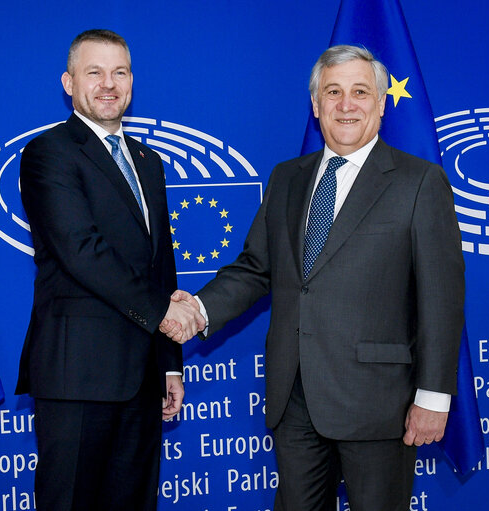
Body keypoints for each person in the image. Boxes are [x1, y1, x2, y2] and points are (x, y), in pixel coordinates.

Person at [163, 45, 464, 511]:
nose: (347, 105)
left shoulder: (419, 181)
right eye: (333, 92)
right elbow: (256, 269)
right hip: (296, 398)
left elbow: (441, 299)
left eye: (360, 92)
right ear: (316, 104)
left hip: (379, 403)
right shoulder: (287, 178)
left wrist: (434, 396)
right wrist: (197, 310)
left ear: (381, 103)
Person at [15, 29, 204, 511]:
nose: (108, 84)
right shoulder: (49, 154)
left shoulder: (149, 161)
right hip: (78, 374)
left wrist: (168, 363)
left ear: (132, 82)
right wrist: (165, 313)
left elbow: (161, 264)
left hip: (142, 377)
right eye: (94, 72)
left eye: (119, 72)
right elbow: (82, 251)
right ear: (68, 82)